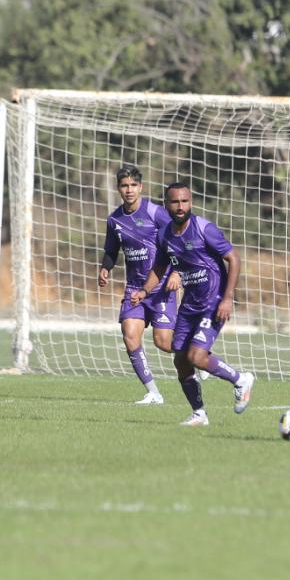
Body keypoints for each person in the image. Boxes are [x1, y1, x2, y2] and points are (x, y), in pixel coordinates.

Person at [130, 183, 254, 426]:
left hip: (214, 300)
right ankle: (199, 413)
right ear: (166, 205)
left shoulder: (203, 228)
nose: (180, 206)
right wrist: (145, 290)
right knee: (180, 360)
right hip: (190, 303)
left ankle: (241, 380)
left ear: (191, 202)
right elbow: (160, 267)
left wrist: (228, 297)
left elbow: (233, 258)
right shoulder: (164, 234)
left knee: (197, 356)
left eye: (184, 201)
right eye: (175, 202)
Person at [97, 165, 179, 405]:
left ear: (141, 187)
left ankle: (197, 356)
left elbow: (176, 241)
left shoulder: (156, 213)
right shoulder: (114, 219)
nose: (129, 190)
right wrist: (105, 268)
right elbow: (111, 250)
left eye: (133, 185)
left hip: (162, 286)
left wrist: (176, 273)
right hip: (134, 288)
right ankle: (154, 392)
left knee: (163, 341)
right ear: (119, 188)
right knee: (130, 336)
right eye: (124, 185)